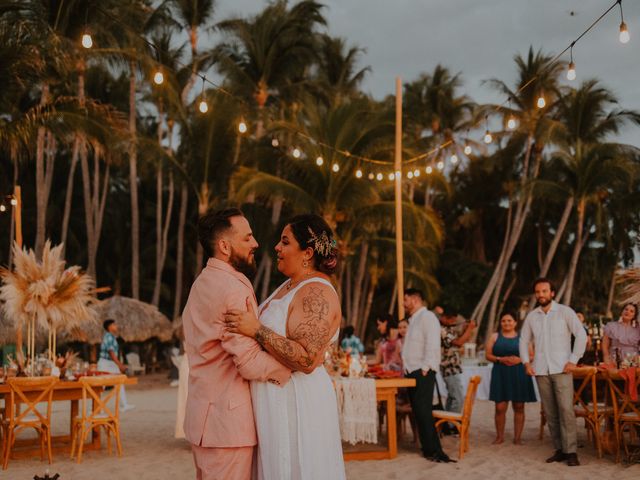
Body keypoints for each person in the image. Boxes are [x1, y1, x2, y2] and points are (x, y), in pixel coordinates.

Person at [224, 214, 346, 480]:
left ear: (307, 253)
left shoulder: (318, 293)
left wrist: (257, 330)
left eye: (285, 242)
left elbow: (307, 360)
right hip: (273, 403)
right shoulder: (288, 286)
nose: (277, 248)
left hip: (297, 405)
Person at [182, 208, 291, 480]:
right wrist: (293, 368)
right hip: (227, 426)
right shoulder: (233, 288)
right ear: (224, 246)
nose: (255, 243)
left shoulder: (201, 283)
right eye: (248, 238)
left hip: (203, 420)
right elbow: (249, 361)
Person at [519, 277, 587, 467]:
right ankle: (559, 449)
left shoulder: (565, 312)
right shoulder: (532, 316)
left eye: (544, 291)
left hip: (562, 368)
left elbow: (581, 334)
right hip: (541, 369)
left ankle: (571, 451)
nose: (541, 295)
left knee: (566, 410)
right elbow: (524, 340)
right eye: (538, 292)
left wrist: (573, 360)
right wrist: (526, 362)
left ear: (552, 293)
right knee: (550, 412)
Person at [401, 288, 454, 463]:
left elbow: (432, 344)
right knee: (419, 411)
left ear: (415, 299)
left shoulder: (428, 317)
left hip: (422, 371)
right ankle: (427, 448)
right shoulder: (414, 319)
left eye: (406, 299)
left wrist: (426, 368)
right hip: (412, 371)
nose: (403, 303)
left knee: (424, 411)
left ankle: (434, 450)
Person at [486, 312, 536, 445]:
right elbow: (488, 355)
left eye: (509, 320)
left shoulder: (523, 338)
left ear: (515, 323)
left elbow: (532, 355)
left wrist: (520, 359)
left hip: (519, 372)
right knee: (500, 407)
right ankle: (499, 437)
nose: (506, 323)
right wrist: (500, 359)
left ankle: (517, 438)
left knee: (519, 406)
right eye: (503, 321)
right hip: (500, 373)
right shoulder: (495, 336)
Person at [439, 308, 476, 413]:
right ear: (445, 317)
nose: (454, 322)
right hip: (449, 367)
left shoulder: (447, 328)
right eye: (452, 320)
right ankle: (452, 426)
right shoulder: (442, 329)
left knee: (452, 397)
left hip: (452, 367)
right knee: (458, 399)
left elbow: (462, 340)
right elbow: (458, 343)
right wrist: (470, 328)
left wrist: (466, 329)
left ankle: (448, 424)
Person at [97, 319, 135, 412]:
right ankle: (97, 407)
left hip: (110, 363)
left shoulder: (112, 337)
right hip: (105, 363)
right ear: (109, 327)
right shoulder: (109, 337)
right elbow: (111, 352)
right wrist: (120, 365)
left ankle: (124, 405)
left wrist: (118, 364)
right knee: (101, 385)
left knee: (119, 382)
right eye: (114, 324)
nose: (116, 326)